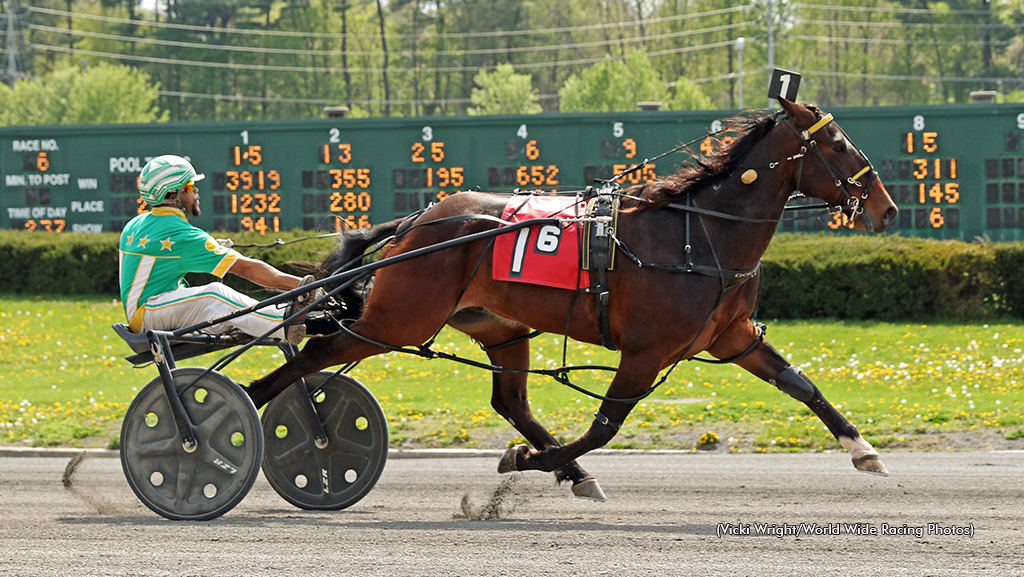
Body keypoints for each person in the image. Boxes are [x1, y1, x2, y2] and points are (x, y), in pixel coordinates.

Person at [118, 154, 310, 345]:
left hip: (146, 312)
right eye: (190, 187)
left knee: (225, 308)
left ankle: (275, 318)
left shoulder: (136, 223)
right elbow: (247, 268)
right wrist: (303, 286)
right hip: (148, 314)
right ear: (172, 194)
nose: (197, 192)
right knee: (214, 294)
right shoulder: (182, 234)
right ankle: (282, 322)